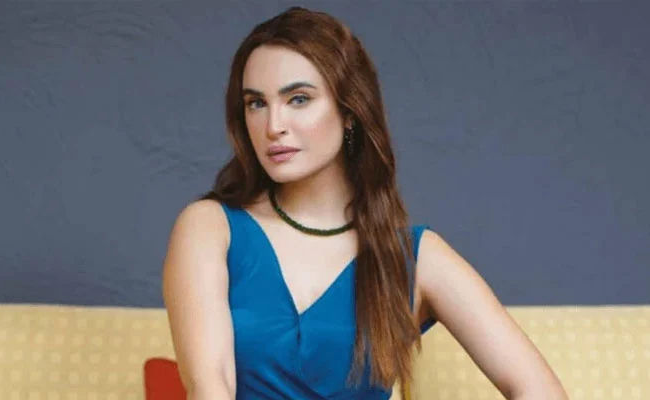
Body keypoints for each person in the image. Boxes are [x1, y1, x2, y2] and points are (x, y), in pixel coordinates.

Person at [162, 6, 568, 400]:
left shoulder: (414, 257)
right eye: (256, 103)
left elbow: (541, 390)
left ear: (350, 111)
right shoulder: (209, 227)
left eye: (298, 99)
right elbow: (211, 387)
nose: (273, 126)